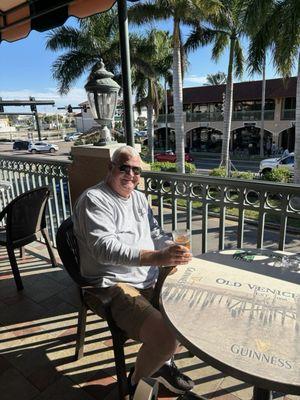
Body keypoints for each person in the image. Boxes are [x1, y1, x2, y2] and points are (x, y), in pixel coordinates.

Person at [73, 145, 194, 398]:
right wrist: (157, 257)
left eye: (136, 170)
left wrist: (169, 247)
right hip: (111, 283)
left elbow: (155, 233)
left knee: (191, 314)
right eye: (124, 167)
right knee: (167, 338)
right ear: (110, 168)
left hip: (147, 277)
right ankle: (136, 383)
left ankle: (161, 365)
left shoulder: (138, 198)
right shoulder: (94, 199)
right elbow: (103, 248)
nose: (130, 174)